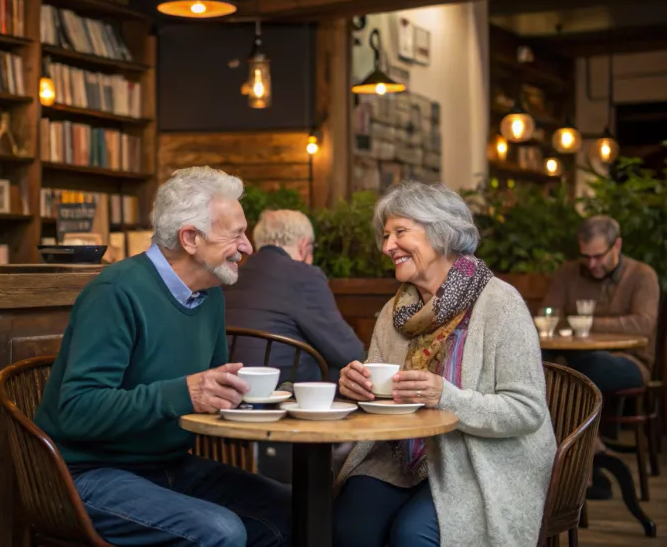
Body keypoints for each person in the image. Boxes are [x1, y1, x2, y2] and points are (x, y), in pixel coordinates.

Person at [34, 167, 292, 547]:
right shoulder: (115, 292)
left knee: (290, 510)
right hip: (86, 473)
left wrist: (260, 398)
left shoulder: (210, 292)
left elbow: (209, 393)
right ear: (190, 238)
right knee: (220, 532)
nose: (248, 246)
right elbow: (76, 408)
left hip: (169, 465)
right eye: (236, 234)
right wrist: (184, 393)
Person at [334, 181, 556, 547]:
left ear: (441, 234)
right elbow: (379, 392)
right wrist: (357, 389)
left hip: (480, 460)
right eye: (386, 235)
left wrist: (446, 397)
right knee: (347, 527)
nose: (388, 246)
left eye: (400, 232)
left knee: (411, 536)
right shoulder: (396, 310)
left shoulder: (500, 304)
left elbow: (527, 411)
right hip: (399, 458)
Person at [224, 209, 365, 383]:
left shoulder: (230, 275)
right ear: (304, 246)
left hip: (228, 388)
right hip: (286, 394)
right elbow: (350, 352)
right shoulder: (305, 276)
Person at [542, 215, 660, 392]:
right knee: (536, 358)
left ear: (617, 246)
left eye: (598, 256)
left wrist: (585, 324)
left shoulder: (642, 275)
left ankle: (573, 419)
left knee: (593, 366)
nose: (591, 264)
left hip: (629, 359)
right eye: (586, 256)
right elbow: (548, 314)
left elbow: (643, 324)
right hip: (570, 356)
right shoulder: (567, 273)